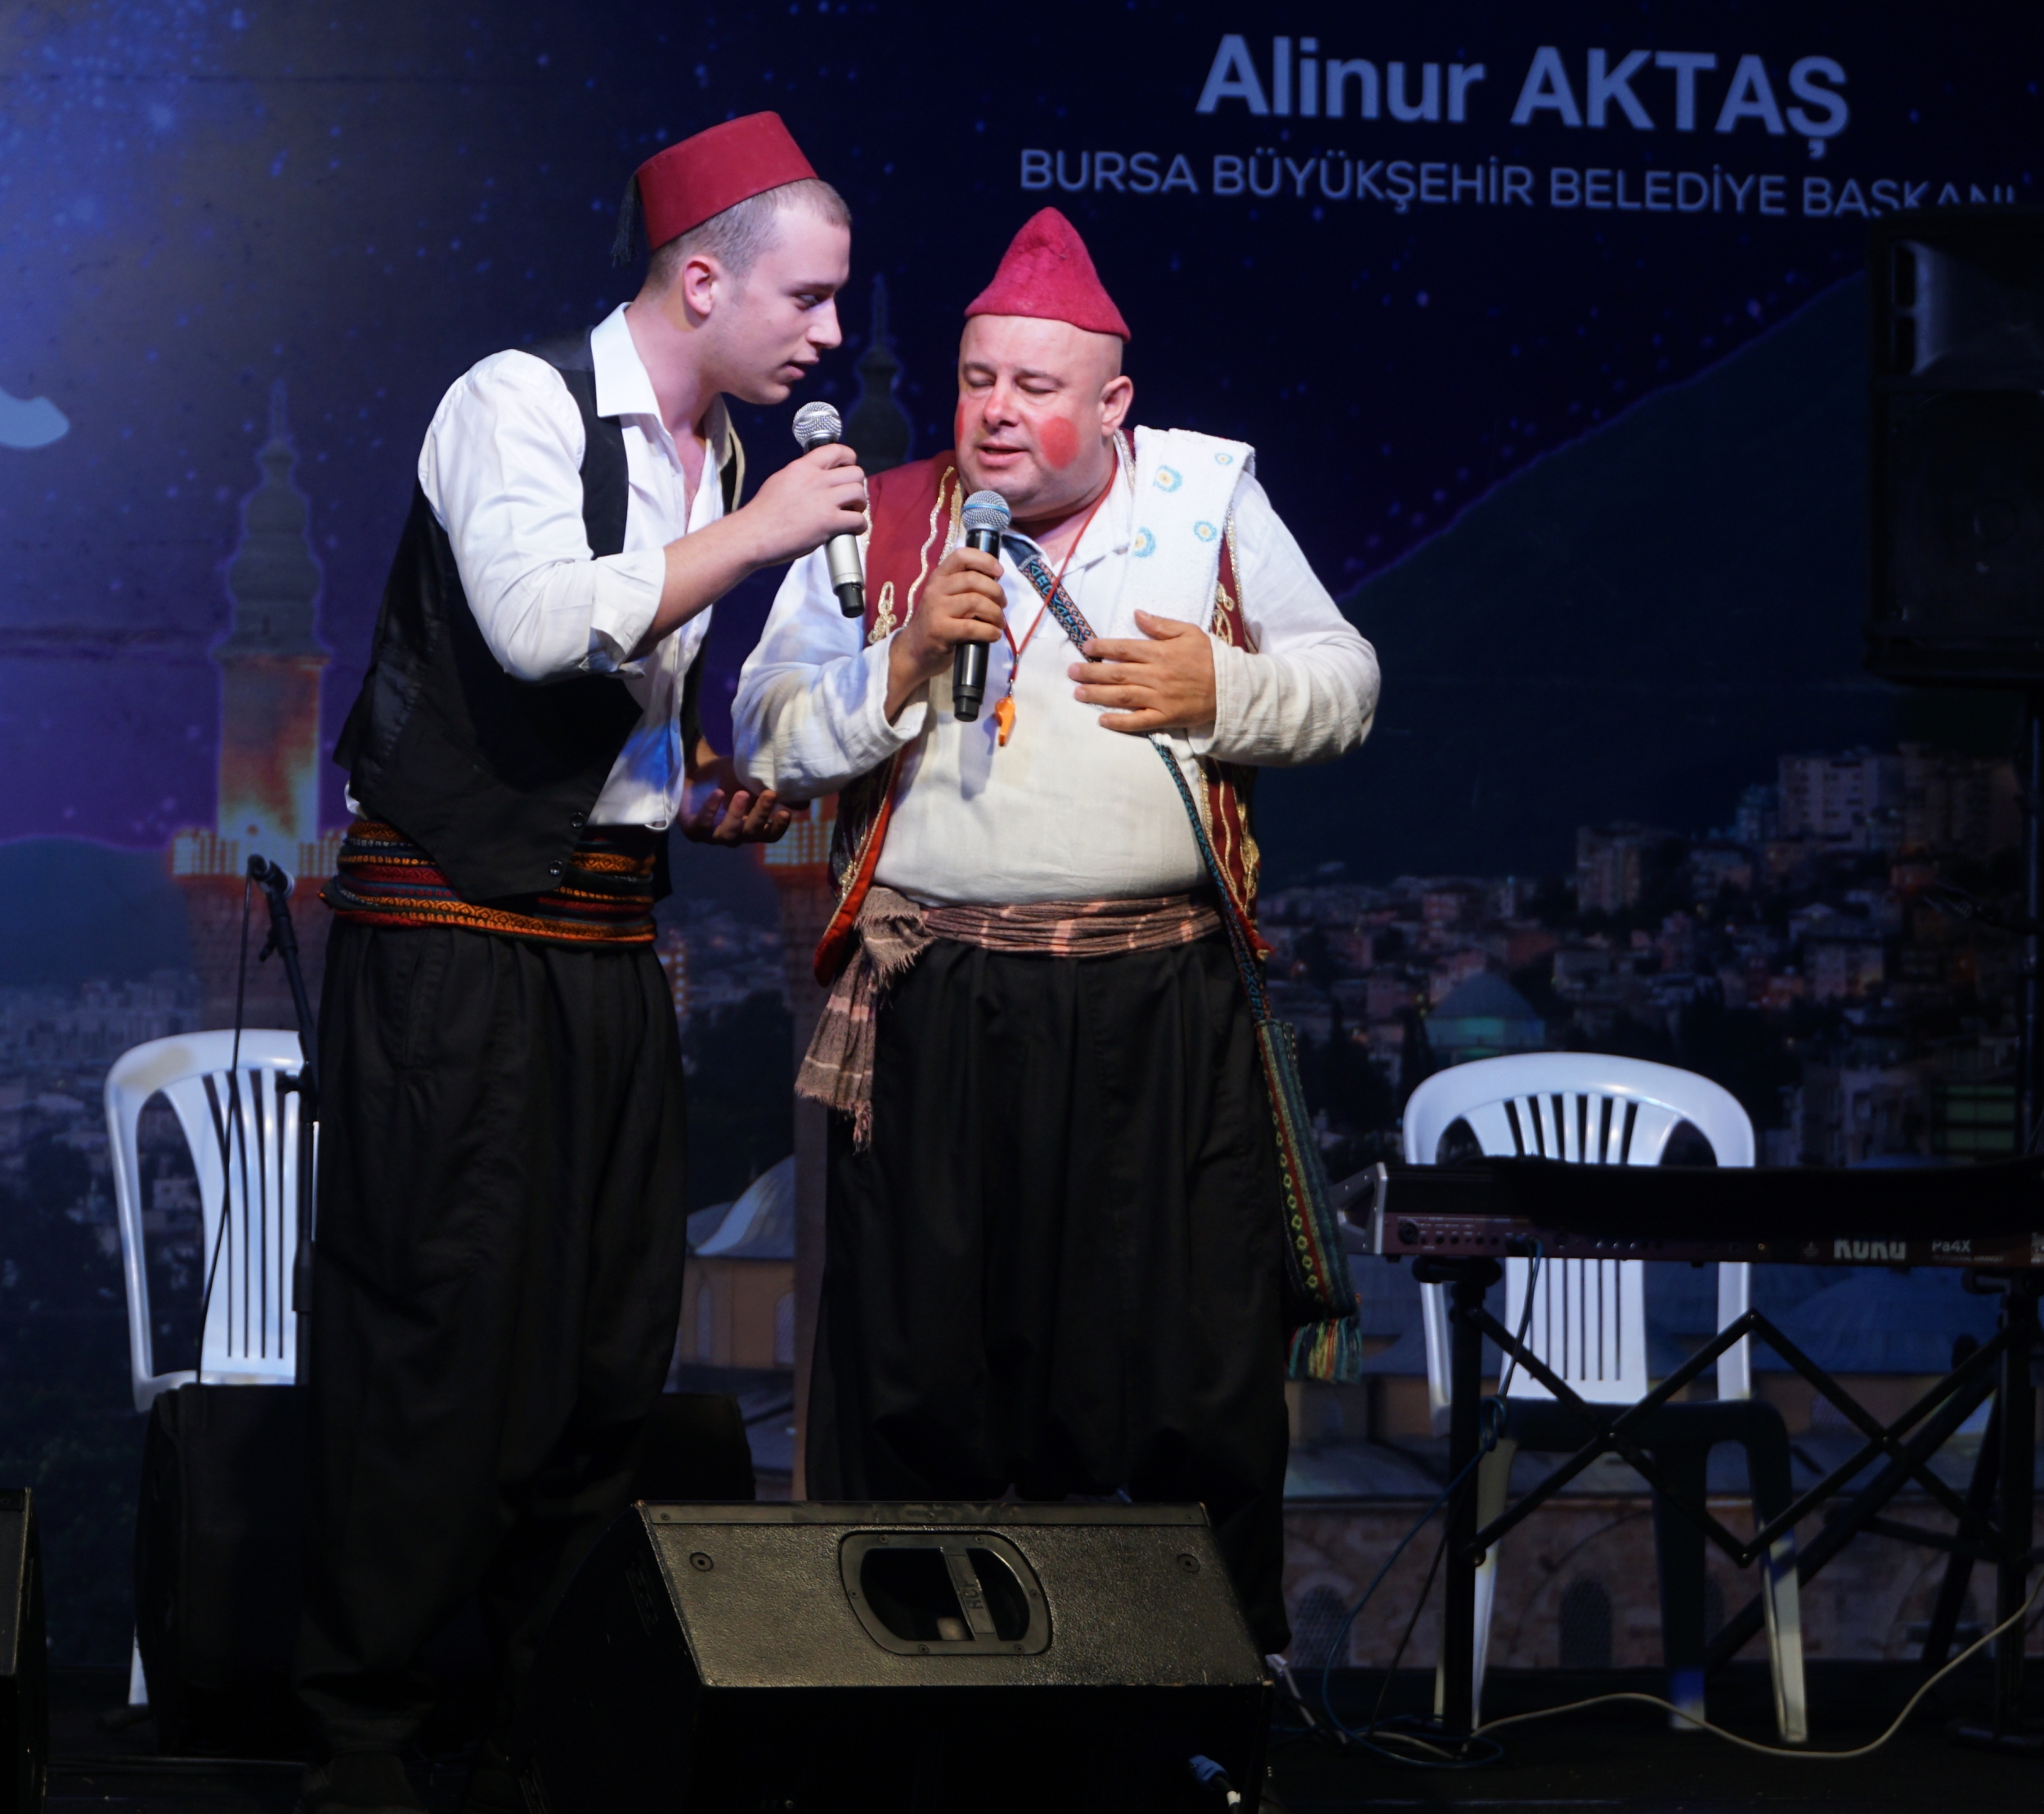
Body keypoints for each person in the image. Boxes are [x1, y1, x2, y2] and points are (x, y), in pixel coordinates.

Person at [295, 113, 866, 1814]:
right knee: (440, 1329)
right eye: (807, 297)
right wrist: (761, 536)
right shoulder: (516, 401)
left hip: (607, 939)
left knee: (605, 1347)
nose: (830, 333)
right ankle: (366, 1729)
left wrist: (692, 787)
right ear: (702, 283)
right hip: (450, 940)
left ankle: (536, 1716)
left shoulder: (716, 456)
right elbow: (540, 624)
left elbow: (608, 707)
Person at [733, 208, 1378, 1662]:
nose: (996, 412)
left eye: (1034, 386)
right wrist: (903, 657)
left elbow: (1345, 679)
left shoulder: (1207, 505)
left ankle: (1192, 1704)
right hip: (941, 1004)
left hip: (1160, 1009)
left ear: (1114, 402)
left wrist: (1226, 689)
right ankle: (915, 1689)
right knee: (920, 1368)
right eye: (977, 380)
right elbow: (767, 733)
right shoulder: (884, 519)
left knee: (1183, 1366)